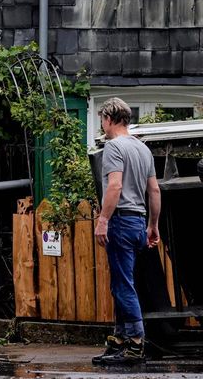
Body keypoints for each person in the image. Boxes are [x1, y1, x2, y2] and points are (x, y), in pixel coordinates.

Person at [93, 97, 160, 366]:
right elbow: (154, 190)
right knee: (122, 282)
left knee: (123, 284)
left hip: (120, 221)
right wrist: (153, 225)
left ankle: (135, 343)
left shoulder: (113, 147)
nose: (102, 125)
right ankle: (120, 339)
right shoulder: (143, 149)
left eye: (102, 120)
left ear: (109, 119)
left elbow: (114, 187)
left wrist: (103, 220)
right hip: (139, 222)